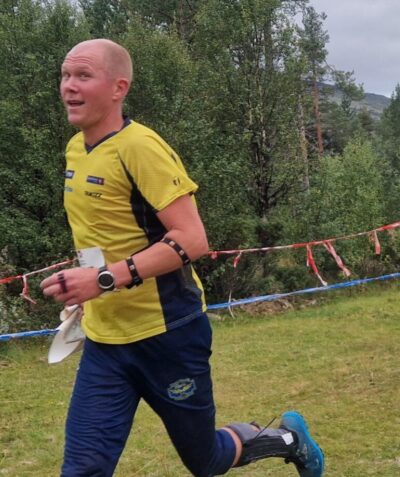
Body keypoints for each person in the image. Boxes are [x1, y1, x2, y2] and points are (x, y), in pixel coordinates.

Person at [40, 38, 324, 477]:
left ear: (118, 88)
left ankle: (288, 439)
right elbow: (106, 234)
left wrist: (103, 280)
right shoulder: (76, 148)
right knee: (81, 470)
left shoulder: (141, 147)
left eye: (83, 76)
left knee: (205, 460)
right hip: (105, 342)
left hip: (169, 333)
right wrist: (83, 285)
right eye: (65, 75)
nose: (68, 86)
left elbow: (192, 239)